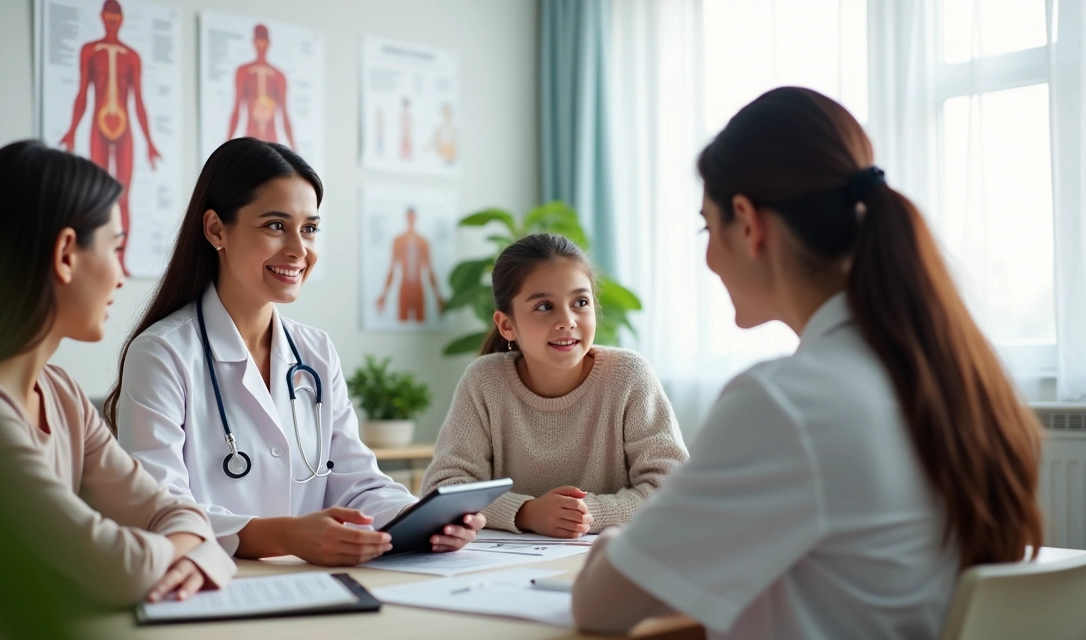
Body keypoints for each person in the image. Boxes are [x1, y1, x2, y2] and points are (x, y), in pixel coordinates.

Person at [570, 87, 1044, 639]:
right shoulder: (949, 378)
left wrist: (617, 541)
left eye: (707, 227)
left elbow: (600, 606)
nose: (707, 257)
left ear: (748, 222)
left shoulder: (785, 404)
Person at [0, 140, 235, 607]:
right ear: (66, 254)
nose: (122, 277)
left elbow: (176, 512)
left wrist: (197, 552)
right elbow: (118, 570)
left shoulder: (61, 393)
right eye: (115, 248)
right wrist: (193, 554)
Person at [105, 138, 485, 565]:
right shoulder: (162, 354)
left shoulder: (315, 352)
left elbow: (357, 481)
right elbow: (158, 507)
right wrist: (286, 536)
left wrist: (418, 518)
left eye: (309, 229)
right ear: (216, 230)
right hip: (214, 585)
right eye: (275, 226)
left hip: (315, 584)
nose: (299, 250)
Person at [420, 234, 689, 538]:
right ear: (507, 324)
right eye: (545, 306)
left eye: (581, 302)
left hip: (609, 557)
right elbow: (443, 488)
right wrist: (525, 512)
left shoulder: (628, 376)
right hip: (504, 562)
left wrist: (588, 514)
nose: (568, 320)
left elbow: (673, 488)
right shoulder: (485, 381)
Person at [59, 0, 161, 276]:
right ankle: (97, 259)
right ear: (103, 17)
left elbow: (139, 101)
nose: (113, 19)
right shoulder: (90, 51)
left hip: (125, 130)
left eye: (117, 14)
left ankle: (121, 259)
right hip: (98, 127)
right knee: (101, 198)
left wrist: (150, 141)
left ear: (121, 18)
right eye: (110, 14)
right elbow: (82, 93)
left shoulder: (132, 56)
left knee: (124, 197)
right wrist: (72, 129)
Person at [375, 207, 446, 323]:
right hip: (404, 287)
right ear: (406, 218)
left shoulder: (423, 242)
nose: (411, 219)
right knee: (402, 321)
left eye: (412, 217)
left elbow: (430, 270)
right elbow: (392, 268)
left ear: (416, 218)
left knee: (420, 321)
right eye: (409, 217)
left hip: (419, 287)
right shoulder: (398, 241)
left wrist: (437, 295)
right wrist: (384, 294)